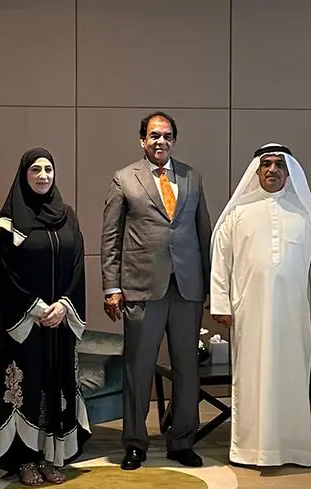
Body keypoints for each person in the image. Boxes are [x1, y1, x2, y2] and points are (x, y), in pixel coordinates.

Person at [101, 111, 212, 470]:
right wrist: (112, 286)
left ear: (174, 141)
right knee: (139, 368)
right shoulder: (124, 178)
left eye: (166, 136)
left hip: (187, 288)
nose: (160, 141)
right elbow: (111, 236)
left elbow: (203, 233)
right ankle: (135, 444)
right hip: (141, 288)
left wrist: (210, 286)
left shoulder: (192, 177)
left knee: (187, 369)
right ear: (142, 141)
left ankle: (182, 441)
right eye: (154, 135)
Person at [210, 143, 311, 467]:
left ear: (289, 171)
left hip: (294, 314)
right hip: (250, 313)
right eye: (267, 164)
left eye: (279, 164)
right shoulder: (237, 214)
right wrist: (220, 303)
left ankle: (294, 449)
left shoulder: (305, 216)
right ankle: (250, 449)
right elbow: (221, 261)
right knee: (251, 378)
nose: (273, 170)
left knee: (292, 377)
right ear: (257, 170)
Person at [0, 148, 91, 486]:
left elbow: (78, 264)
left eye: (48, 169)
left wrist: (64, 305)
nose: (43, 175)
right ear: (24, 175)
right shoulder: (7, 223)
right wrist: (36, 308)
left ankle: (51, 456)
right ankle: (24, 459)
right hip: (27, 323)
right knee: (28, 387)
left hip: (59, 321)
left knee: (56, 384)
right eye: (35, 169)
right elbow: (5, 274)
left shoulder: (68, 216)